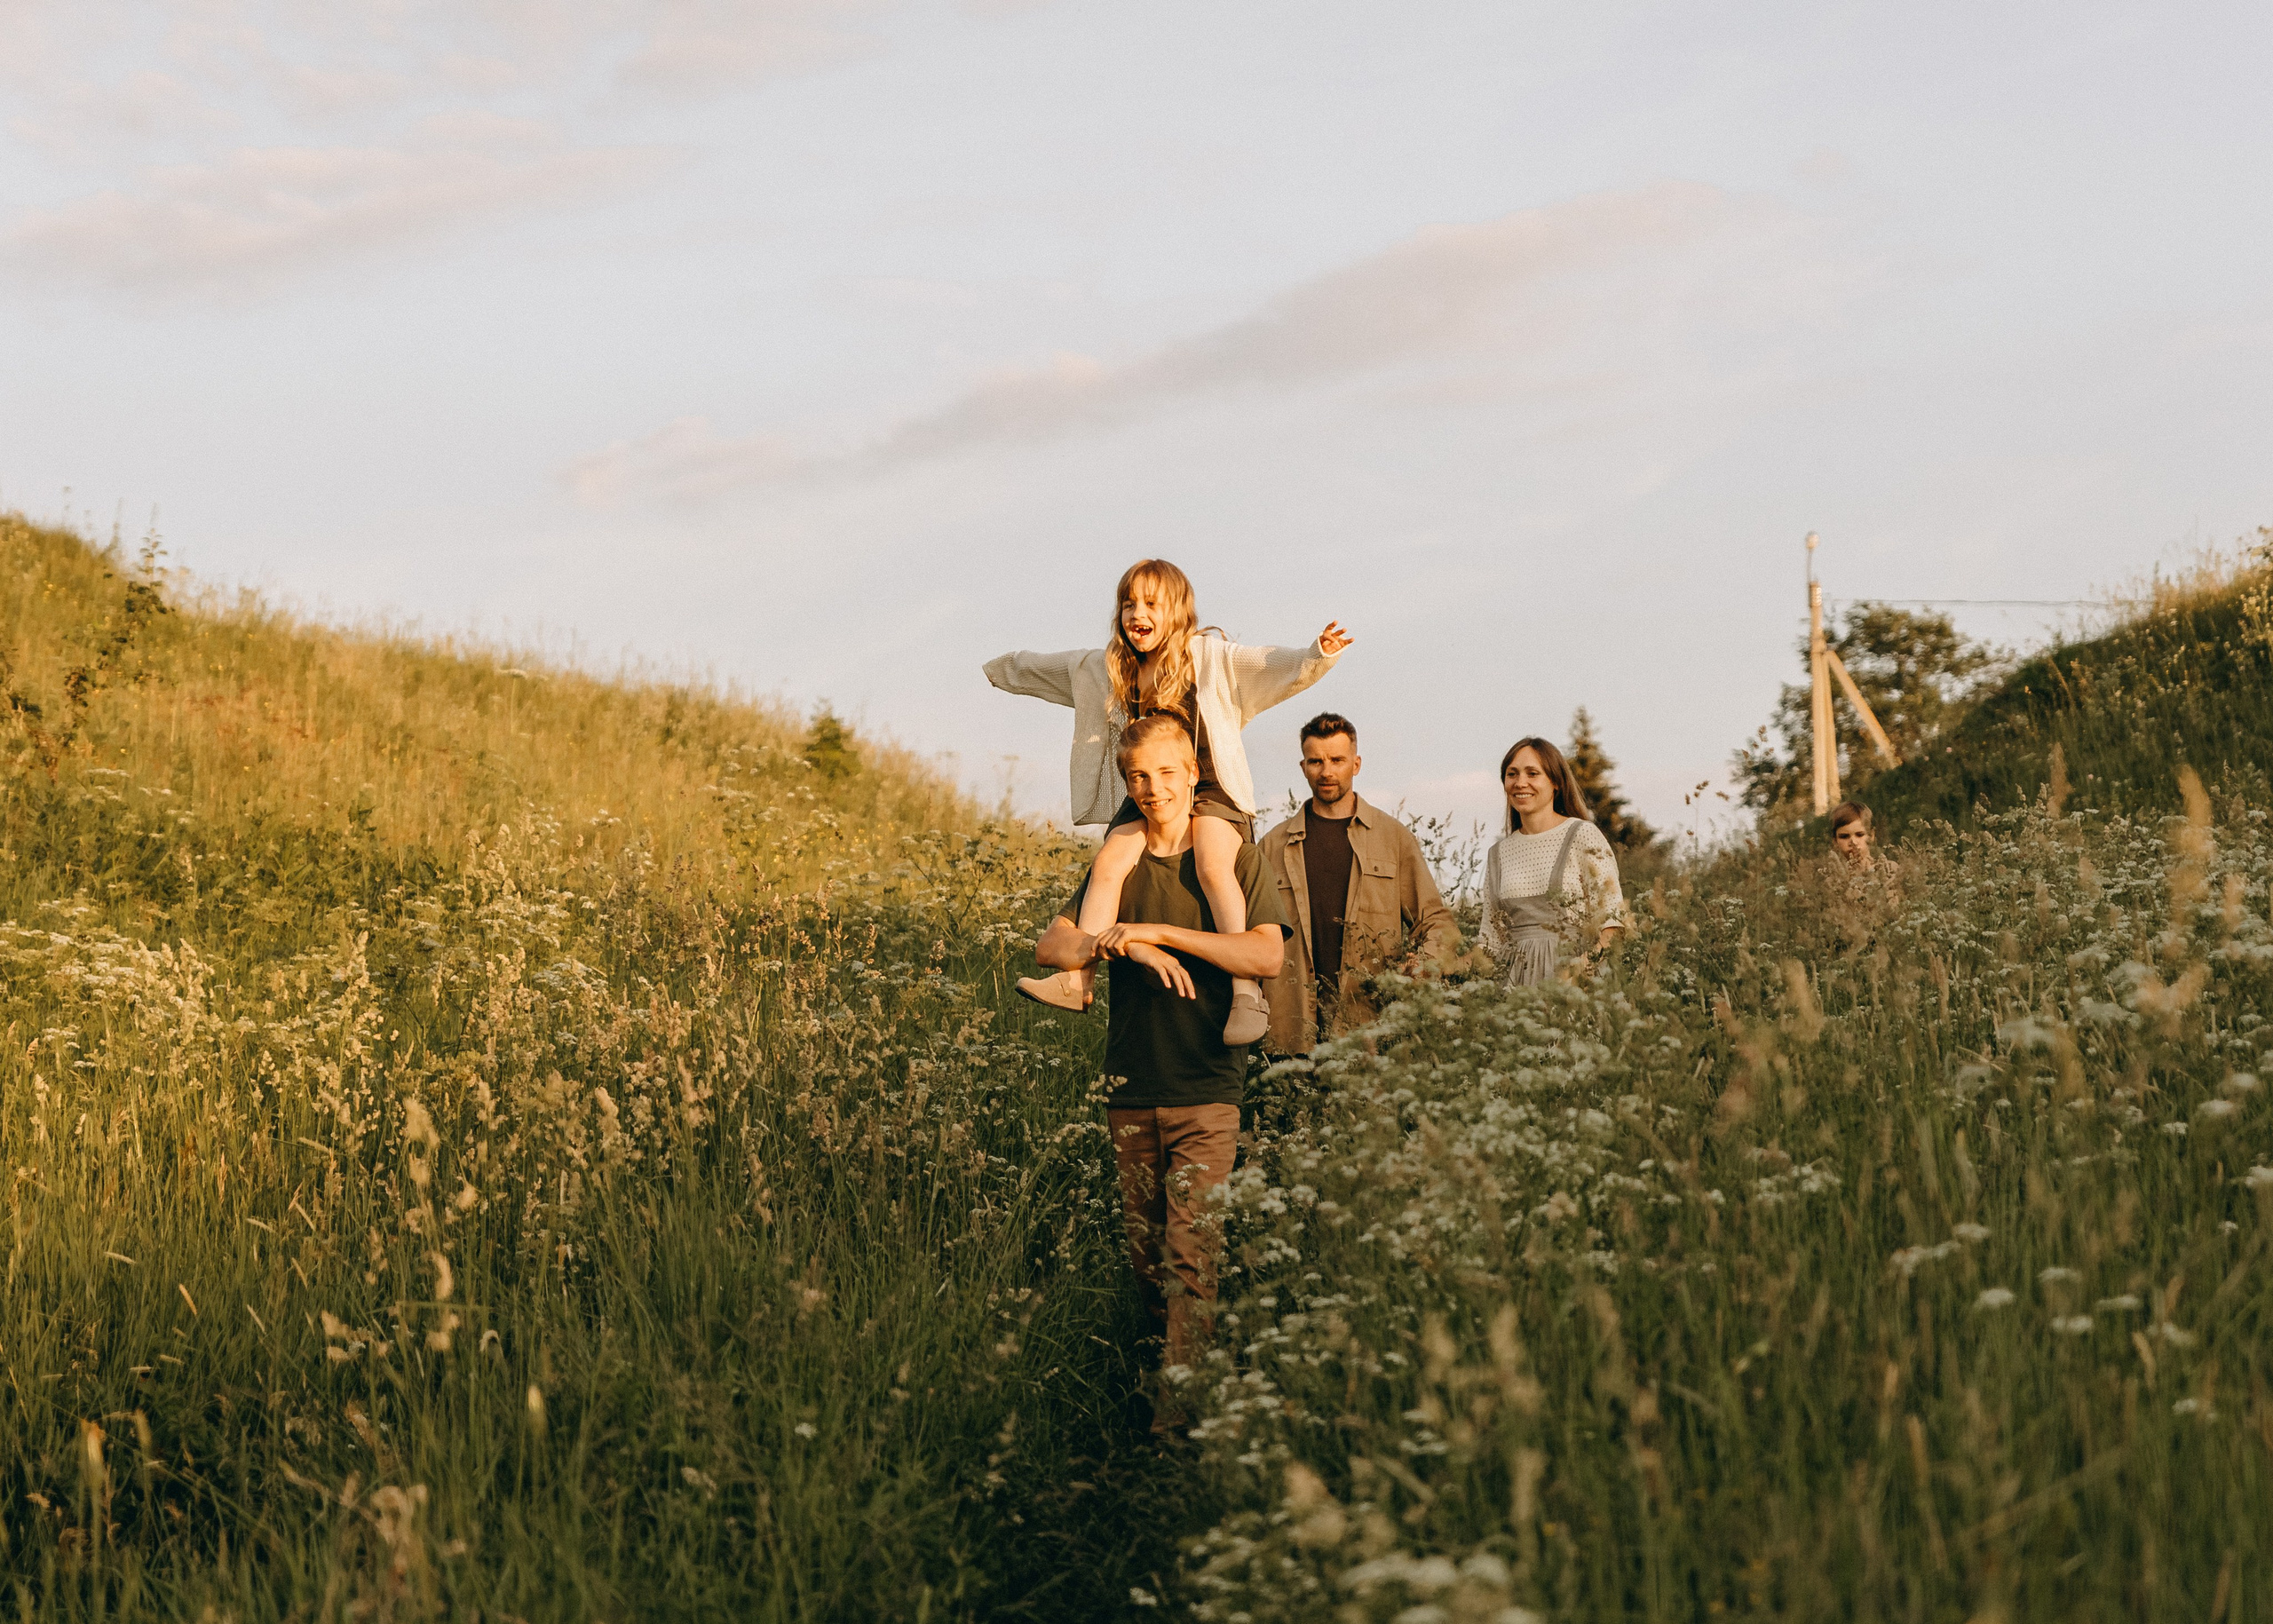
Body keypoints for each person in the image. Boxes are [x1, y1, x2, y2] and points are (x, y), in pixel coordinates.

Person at [1029, 713, 1292, 1430]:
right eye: (1139, 777)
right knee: (1149, 1263)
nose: (1153, 789)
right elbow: (1055, 943)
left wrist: (1160, 932)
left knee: (1190, 1257)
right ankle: (1167, 1386)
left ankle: (1177, 1427)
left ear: (1194, 775)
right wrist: (1124, 948)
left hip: (1206, 1090)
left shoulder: (1230, 854)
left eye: (1167, 773)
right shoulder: (1118, 858)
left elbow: (1265, 954)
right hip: (1130, 1087)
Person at [986, 558, 1349, 1043]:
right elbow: (1051, 669)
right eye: (1128, 604)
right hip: (1150, 793)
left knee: (1213, 864)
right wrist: (1001, 669)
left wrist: (1314, 655)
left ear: (1177, 611)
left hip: (1211, 787)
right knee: (1109, 862)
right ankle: (1077, 981)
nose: (1138, 613)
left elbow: (1266, 664)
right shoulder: (1110, 668)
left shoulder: (1208, 658)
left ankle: (1246, 993)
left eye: (1151, 604)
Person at [1256, 713, 1461, 1052]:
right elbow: (1250, 936)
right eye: (1316, 761)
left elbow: (1437, 922)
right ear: (1303, 767)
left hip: (1370, 1028)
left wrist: (1419, 967)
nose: (1327, 771)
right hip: (1289, 1032)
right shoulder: (1272, 846)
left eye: (1337, 760)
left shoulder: (1393, 839)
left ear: (1356, 764)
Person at [1481, 736, 1627, 986]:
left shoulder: (1582, 835)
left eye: (1532, 773)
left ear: (1555, 782)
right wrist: (1434, 968)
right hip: (1513, 989)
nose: (1520, 782)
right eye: (1512, 774)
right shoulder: (1498, 854)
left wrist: (1576, 975)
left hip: (1572, 984)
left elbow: (1612, 926)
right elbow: (1489, 944)